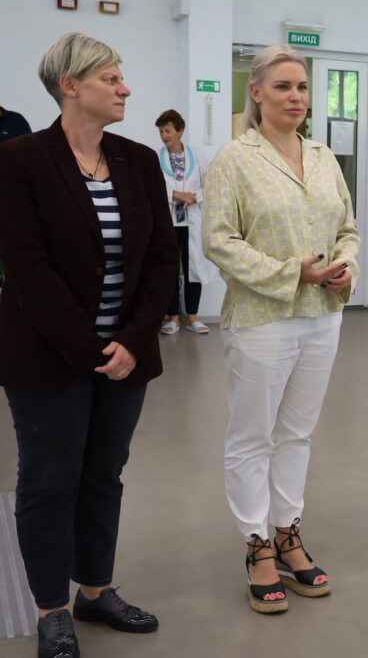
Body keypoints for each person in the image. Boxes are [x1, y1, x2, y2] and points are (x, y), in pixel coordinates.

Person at [0, 32, 176, 658]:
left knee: (104, 474)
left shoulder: (138, 160)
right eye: (111, 78)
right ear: (70, 86)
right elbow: (27, 269)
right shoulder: (20, 161)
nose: (125, 88)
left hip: (125, 357)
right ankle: (52, 608)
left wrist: (130, 340)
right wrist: (90, 348)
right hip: (47, 358)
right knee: (51, 480)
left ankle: (95, 591)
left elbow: (162, 259)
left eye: (121, 77)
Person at [203, 44, 360, 613]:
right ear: (257, 93)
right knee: (253, 436)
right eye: (284, 86)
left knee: (296, 434)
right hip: (262, 318)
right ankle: (257, 545)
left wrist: (344, 268)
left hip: (322, 316)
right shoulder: (234, 159)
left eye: (302, 87)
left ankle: (288, 532)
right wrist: (293, 274)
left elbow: (347, 229)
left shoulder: (322, 156)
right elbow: (219, 240)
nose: (296, 97)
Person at [155, 109, 217, 335]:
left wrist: (192, 197)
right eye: (161, 131)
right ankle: (173, 317)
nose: (164, 136)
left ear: (180, 131)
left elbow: (210, 183)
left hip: (192, 220)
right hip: (168, 221)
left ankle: (192, 317)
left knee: (194, 268)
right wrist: (176, 195)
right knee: (169, 269)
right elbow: (153, 187)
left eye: (168, 131)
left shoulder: (198, 156)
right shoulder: (156, 158)